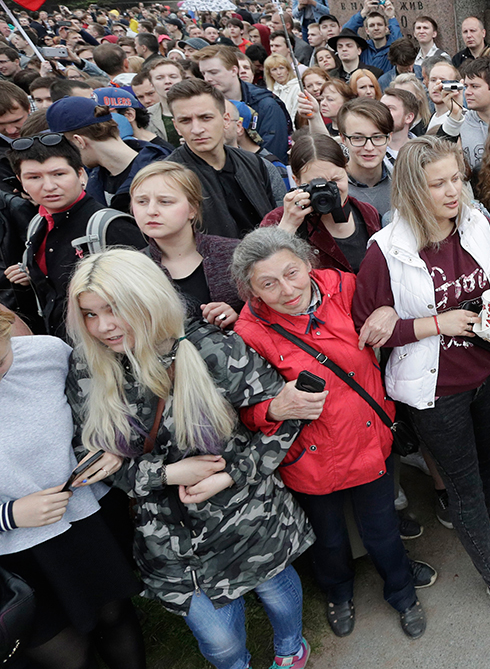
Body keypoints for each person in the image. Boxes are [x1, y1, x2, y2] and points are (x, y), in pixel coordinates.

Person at [65, 249, 315, 669]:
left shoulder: (211, 349)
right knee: (220, 642)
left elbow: (288, 418)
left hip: (248, 518)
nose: (103, 326)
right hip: (169, 542)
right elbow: (87, 456)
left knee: (276, 593)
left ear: (146, 298)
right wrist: (163, 473)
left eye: (114, 309)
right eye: (89, 314)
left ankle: (290, 649)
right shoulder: (87, 367)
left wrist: (233, 474)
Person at [351, 137, 490, 630]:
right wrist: (435, 323)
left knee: (481, 468)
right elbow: (367, 331)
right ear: (413, 188)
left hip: (487, 372)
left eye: (457, 177)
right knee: (463, 487)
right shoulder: (384, 250)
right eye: (439, 183)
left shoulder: (477, 223)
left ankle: (485, 530)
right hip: (435, 392)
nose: (455, 191)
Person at [231, 227, 433, 639]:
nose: (287, 290)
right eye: (268, 283)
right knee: (327, 538)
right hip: (311, 456)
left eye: (292, 272)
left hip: (367, 438)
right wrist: (272, 407)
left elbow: (393, 311)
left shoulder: (345, 286)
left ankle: (401, 591)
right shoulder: (249, 332)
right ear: (252, 291)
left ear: (308, 264)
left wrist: (388, 312)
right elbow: (243, 413)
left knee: (381, 527)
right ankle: (338, 593)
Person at [0, 308, 145, 669]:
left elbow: (96, 406)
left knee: (114, 617)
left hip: (84, 518)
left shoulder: (47, 355)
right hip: (14, 550)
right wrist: (10, 514)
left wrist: (111, 444)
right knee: (68, 655)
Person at [4, 133, 147, 338]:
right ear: (21, 181)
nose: (49, 186)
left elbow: (146, 298)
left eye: (59, 174)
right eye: (34, 177)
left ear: (80, 174)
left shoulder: (110, 227)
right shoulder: (37, 223)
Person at [164, 78, 286, 238]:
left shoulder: (256, 164)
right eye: (185, 120)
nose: (197, 129)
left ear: (226, 120)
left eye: (206, 118)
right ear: (176, 126)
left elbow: (278, 218)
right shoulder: (168, 178)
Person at [130, 162, 244, 328]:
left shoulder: (235, 254)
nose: (151, 210)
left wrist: (239, 318)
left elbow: (270, 313)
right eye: (141, 202)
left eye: (165, 201)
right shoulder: (132, 269)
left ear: (193, 209)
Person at [262, 134, 382, 274]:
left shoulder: (366, 213)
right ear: (297, 181)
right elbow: (262, 274)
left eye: (335, 180)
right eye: (317, 184)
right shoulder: (278, 220)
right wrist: (288, 226)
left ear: (346, 171)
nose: (328, 191)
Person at [46, 97, 169, 209]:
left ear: (79, 141)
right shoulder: (95, 180)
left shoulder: (161, 173)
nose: (67, 154)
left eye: (65, 146)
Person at [195, 45, 291, 159]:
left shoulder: (266, 104)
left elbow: (274, 155)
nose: (208, 79)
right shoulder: (206, 104)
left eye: (213, 72)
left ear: (234, 70)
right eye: (204, 73)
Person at [441, 55, 490, 169]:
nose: (467, 92)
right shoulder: (460, 121)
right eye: (466, 86)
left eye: (474, 86)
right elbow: (437, 156)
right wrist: (455, 114)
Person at [337, 98, 394, 218]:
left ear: (389, 138)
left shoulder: (404, 183)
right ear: (343, 139)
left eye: (377, 137)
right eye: (358, 138)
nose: (369, 147)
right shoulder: (335, 189)